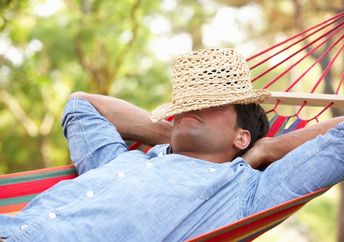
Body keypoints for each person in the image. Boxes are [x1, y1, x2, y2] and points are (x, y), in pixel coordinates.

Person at [0, 48, 343, 242]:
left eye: (212, 103)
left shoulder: (245, 193)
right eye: (187, 103)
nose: (192, 107)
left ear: (242, 137)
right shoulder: (118, 161)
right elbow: (81, 104)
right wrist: (172, 134)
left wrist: (267, 150)